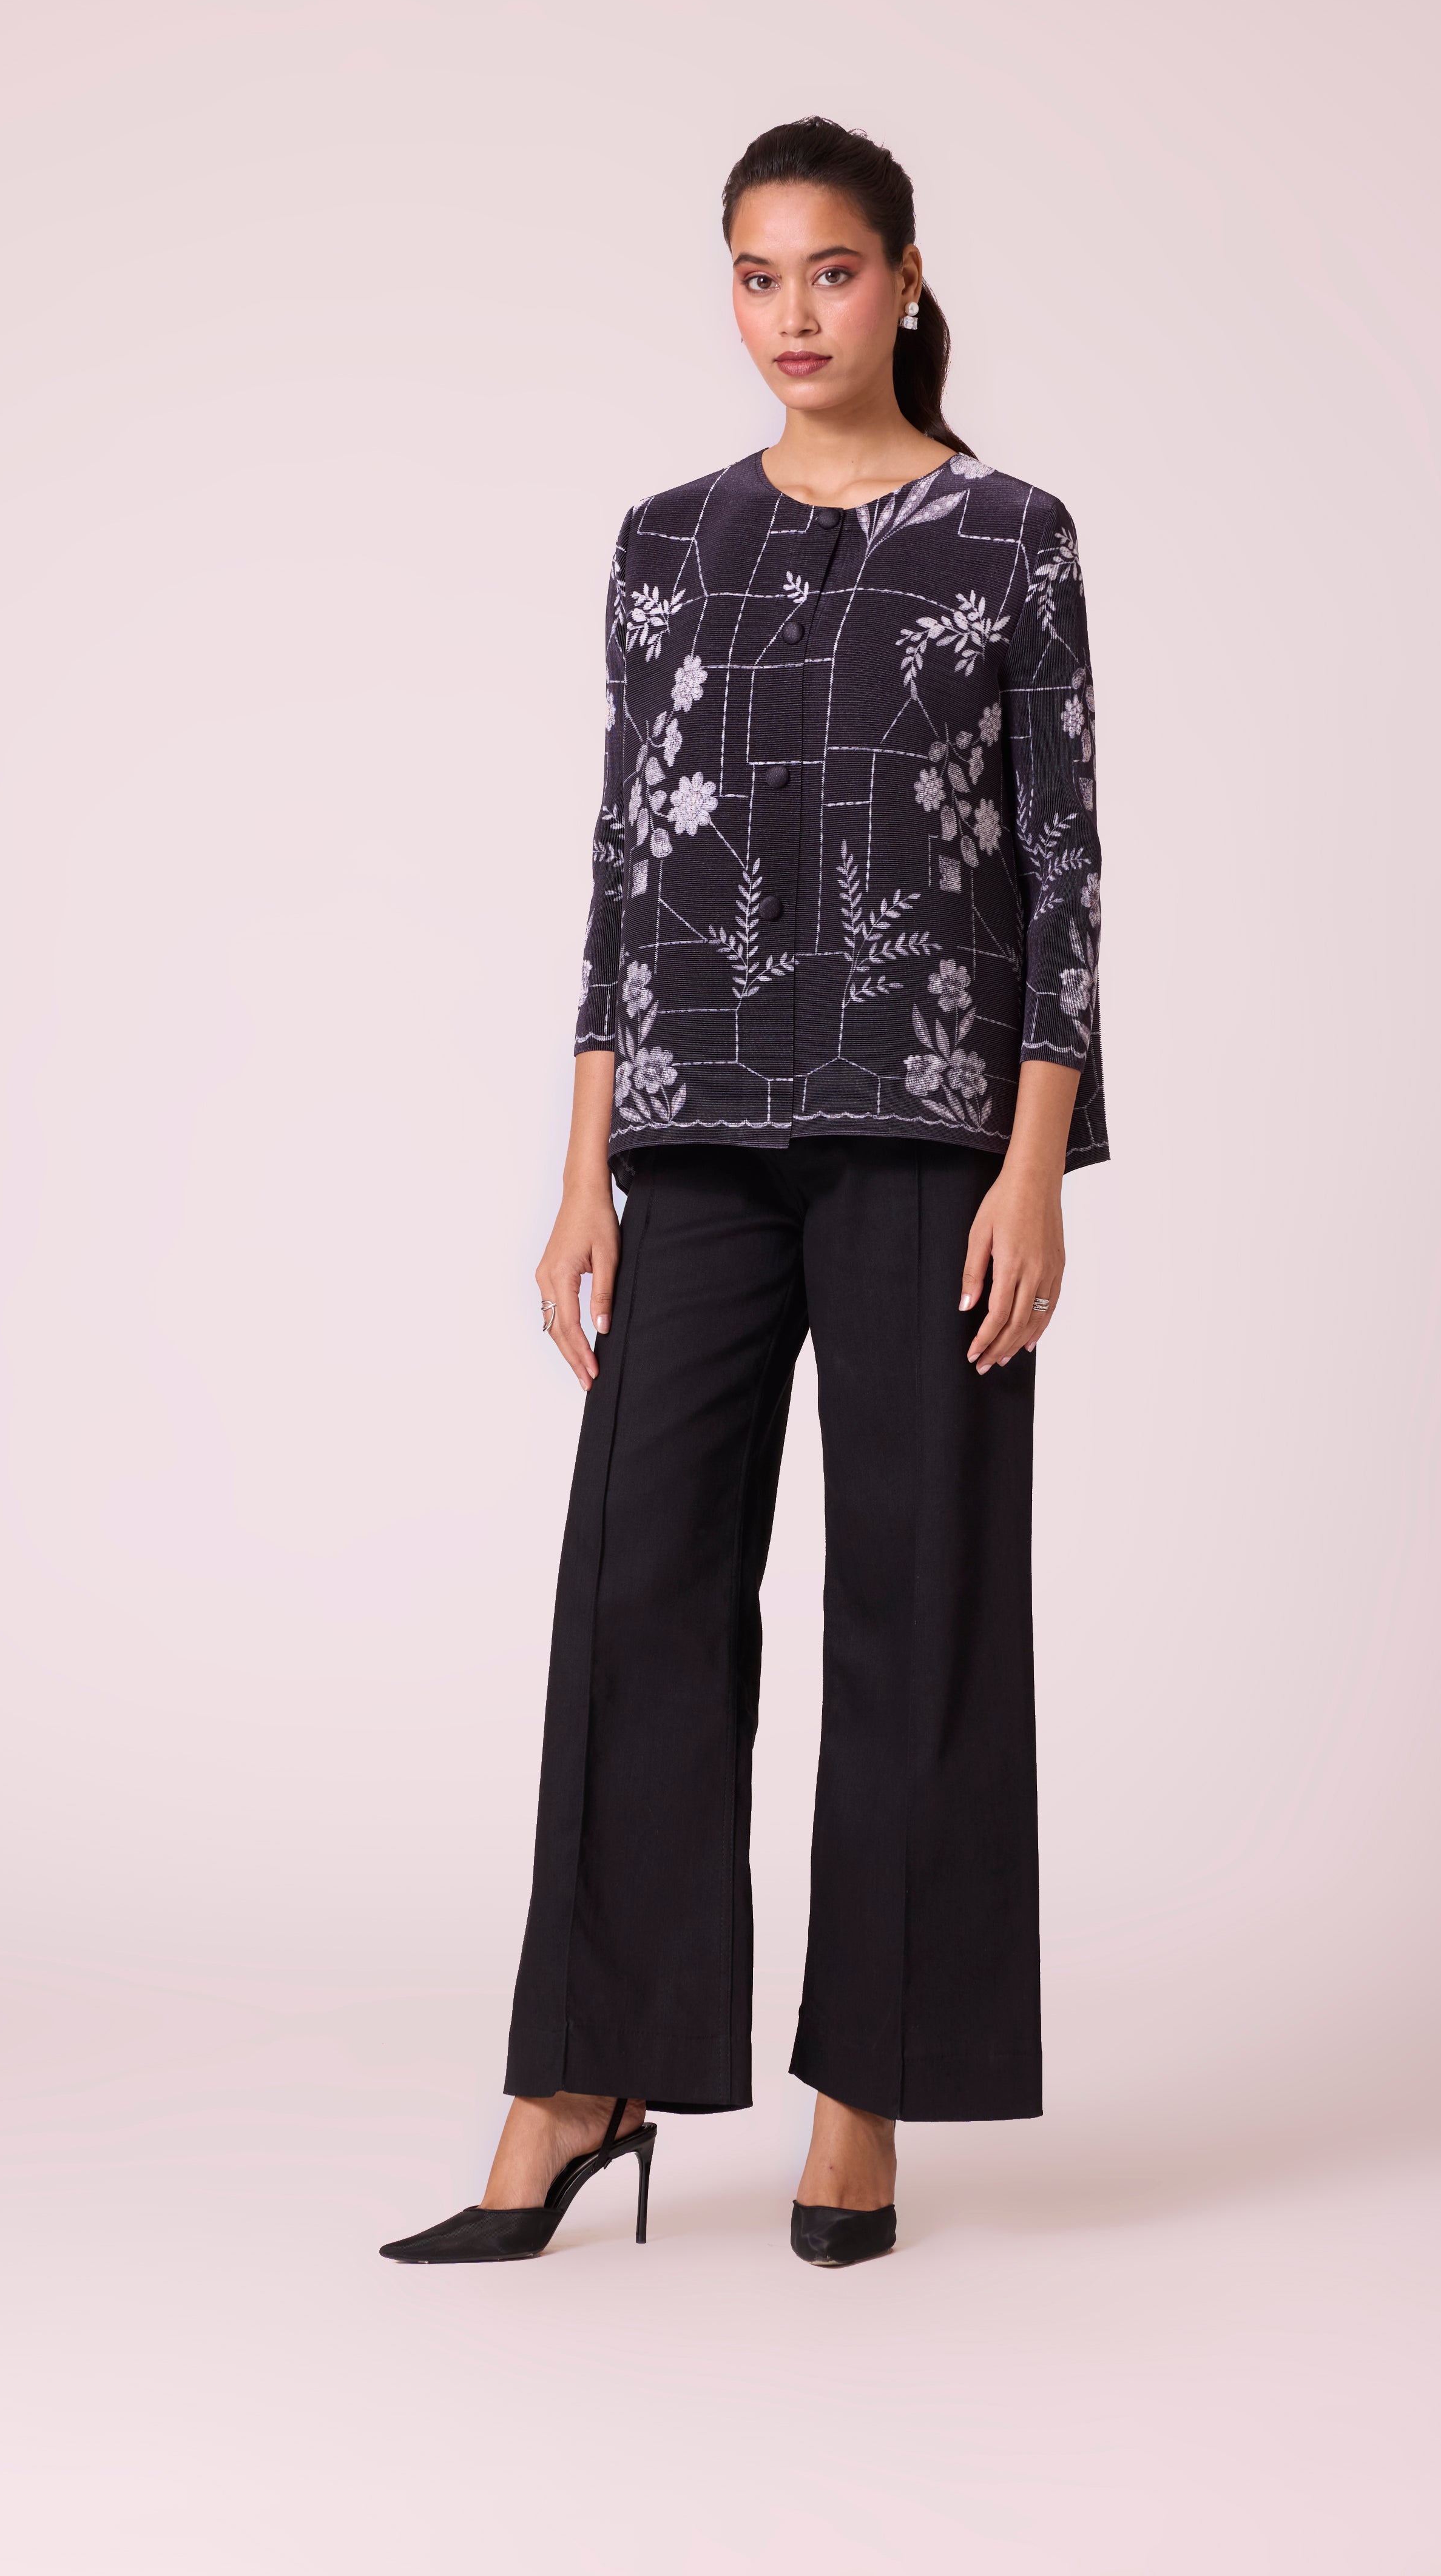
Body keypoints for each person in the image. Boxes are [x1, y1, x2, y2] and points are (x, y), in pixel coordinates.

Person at [381, 115, 1105, 2270]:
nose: (794, 314)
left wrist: (1037, 1164)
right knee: (640, 1589)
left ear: (904, 279)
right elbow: (627, 871)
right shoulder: (666, 544)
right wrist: (581, 1174)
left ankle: (863, 2097)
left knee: (917, 1605)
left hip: (929, 1134)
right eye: (757, 275)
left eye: (832, 271)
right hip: (693, 1136)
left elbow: (1064, 876)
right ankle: (579, 2082)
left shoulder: (1011, 538)